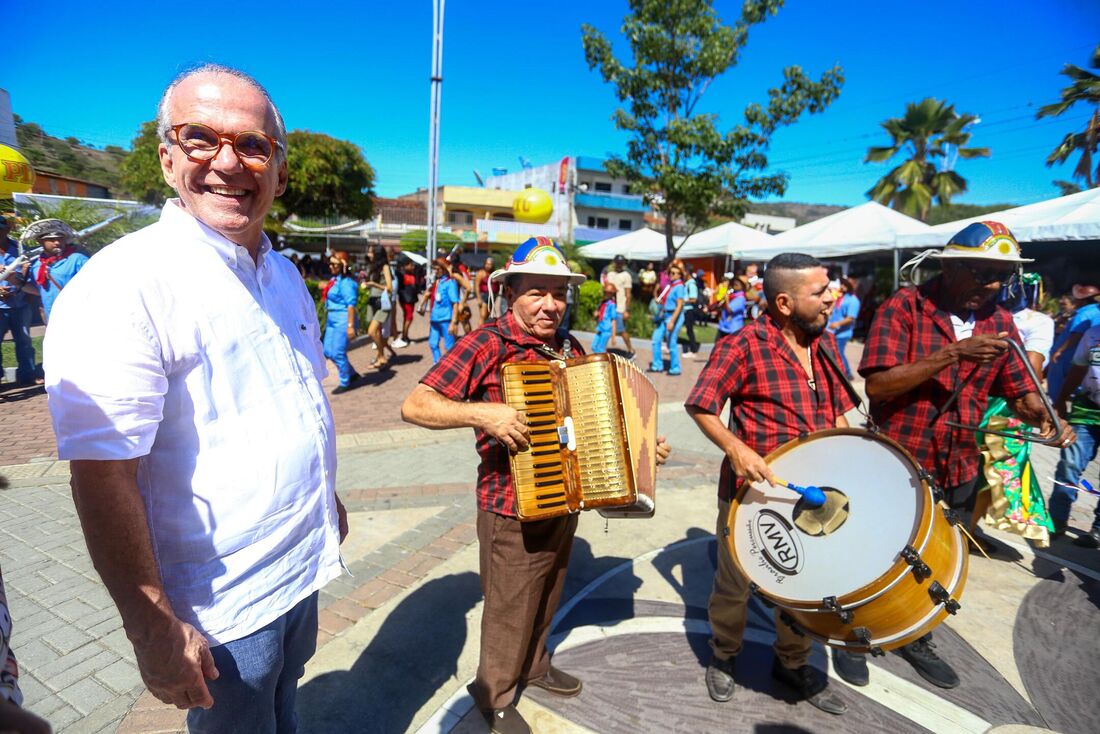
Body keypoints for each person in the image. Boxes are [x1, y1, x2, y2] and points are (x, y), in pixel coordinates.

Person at [43, 65, 349, 731]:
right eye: (201, 138)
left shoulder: (282, 274)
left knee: (285, 706)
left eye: (253, 145)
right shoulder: (125, 284)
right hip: (223, 607)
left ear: (279, 171)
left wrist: (327, 499)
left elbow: (293, 403)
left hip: (300, 567)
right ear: (167, 157)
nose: (227, 163)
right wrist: (151, 626)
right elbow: (102, 475)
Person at [401, 236, 669, 734]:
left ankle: (535, 666)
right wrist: (484, 414)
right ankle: (495, 695)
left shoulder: (569, 347)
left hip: (565, 497)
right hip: (509, 505)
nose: (550, 305)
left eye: (559, 294)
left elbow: (591, 421)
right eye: (536, 293)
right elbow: (416, 405)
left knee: (548, 590)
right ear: (511, 294)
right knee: (508, 606)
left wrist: (639, 444)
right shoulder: (487, 343)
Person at [845, 221, 1072, 691]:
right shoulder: (905, 306)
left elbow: (1018, 391)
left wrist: (1045, 417)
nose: (992, 286)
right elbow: (879, 385)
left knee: (938, 560)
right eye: (983, 273)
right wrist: (952, 354)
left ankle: (915, 635)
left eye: (1002, 276)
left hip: (960, 463)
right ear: (949, 267)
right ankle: (855, 633)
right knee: (874, 552)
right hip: (899, 461)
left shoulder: (1000, 320)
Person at [685, 252, 851, 716]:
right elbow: (700, 404)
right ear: (784, 302)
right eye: (819, 292)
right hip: (752, 495)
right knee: (734, 584)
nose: (831, 298)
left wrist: (850, 461)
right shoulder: (742, 344)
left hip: (816, 495)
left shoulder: (826, 344)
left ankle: (792, 662)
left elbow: (837, 411)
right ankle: (724, 655)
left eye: (829, 289)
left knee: (803, 584)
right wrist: (735, 448)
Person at [973, 273, 1056, 545]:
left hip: (976, 395)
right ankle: (965, 530)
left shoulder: (981, 314)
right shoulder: (1039, 321)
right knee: (993, 467)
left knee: (975, 464)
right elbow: (1031, 368)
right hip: (1008, 402)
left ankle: (961, 528)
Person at [1049, 320, 1100, 548]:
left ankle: (1098, 529)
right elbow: (1078, 369)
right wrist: (1061, 399)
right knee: (1069, 463)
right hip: (1086, 409)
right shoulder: (1092, 334)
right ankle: (1056, 519)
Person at [22, 219, 89, 324]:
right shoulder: (36, 265)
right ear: (40, 241)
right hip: (52, 318)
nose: (57, 242)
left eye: (60, 239)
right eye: (51, 239)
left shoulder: (78, 259)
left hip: (78, 316)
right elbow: (39, 290)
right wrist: (13, 280)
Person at [0, 216, 37, 387]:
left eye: (1, 229)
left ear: (7, 230)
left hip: (20, 303)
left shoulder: (20, 249)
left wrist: (19, 287)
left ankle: (27, 375)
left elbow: (30, 274)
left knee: (24, 341)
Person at [1048, 284, 1100, 402]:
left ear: (1082, 300)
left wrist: (1060, 351)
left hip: (1067, 355)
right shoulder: (1096, 312)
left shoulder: (1084, 313)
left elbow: (1076, 333)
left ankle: (1057, 404)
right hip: (1083, 354)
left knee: (1057, 383)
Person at [322, 252, 361, 394]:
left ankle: (345, 381)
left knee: (337, 352)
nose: (331, 266)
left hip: (342, 319)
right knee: (327, 350)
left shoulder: (347, 283)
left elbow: (351, 305)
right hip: (332, 318)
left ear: (343, 266)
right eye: (330, 264)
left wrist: (350, 326)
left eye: (335, 264)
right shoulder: (335, 279)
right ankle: (351, 373)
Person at [421, 257, 460, 363]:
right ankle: (437, 364)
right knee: (433, 343)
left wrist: (453, 322)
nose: (435, 271)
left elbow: (455, 303)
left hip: (446, 319)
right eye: (434, 269)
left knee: (449, 347)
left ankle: (450, 367)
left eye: (437, 269)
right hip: (435, 319)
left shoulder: (450, 283)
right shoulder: (437, 282)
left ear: (444, 269)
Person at [649, 263, 686, 375]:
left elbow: (679, 305)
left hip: (673, 316)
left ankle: (675, 368)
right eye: (670, 273)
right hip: (664, 315)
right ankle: (657, 365)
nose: (672, 275)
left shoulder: (679, 287)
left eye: (675, 273)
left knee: (671, 342)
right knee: (656, 339)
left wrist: (672, 321)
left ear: (680, 275)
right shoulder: (670, 286)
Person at [363, 244, 395, 369]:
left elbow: (390, 288)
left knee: (371, 331)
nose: (369, 254)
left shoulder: (385, 267)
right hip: (373, 300)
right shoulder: (372, 267)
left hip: (382, 302)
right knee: (377, 332)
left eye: (371, 252)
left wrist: (373, 284)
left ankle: (381, 356)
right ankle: (380, 358)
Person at [826, 276, 861, 379]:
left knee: (839, 353)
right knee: (835, 353)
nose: (842, 286)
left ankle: (847, 373)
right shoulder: (840, 297)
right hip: (832, 331)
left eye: (845, 285)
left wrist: (837, 324)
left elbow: (851, 318)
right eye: (841, 284)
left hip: (842, 333)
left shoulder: (853, 300)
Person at [604, 255, 635, 356]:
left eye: (621, 262)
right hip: (610, 306)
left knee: (621, 330)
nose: (618, 264)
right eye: (617, 262)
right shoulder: (610, 274)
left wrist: (627, 310)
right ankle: (602, 349)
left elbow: (628, 294)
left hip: (620, 308)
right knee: (606, 328)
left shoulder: (626, 275)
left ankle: (631, 349)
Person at [396, 259, 422, 346]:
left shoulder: (412, 274)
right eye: (410, 265)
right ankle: (404, 337)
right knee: (409, 317)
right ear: (405, 266)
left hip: (411, 299)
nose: (412, 267)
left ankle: (405, 336)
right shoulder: (402, 275)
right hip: (406, 299)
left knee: (407, 317)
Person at [714, 275, 748, 342]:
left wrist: (727, 299)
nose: (735, 283)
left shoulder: (740, 299)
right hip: (724, 326)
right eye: (735, 282)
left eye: (739, 283)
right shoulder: (733, 295)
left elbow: (730, 310)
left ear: (743, 286)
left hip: (732, 329)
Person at [591, 282, 618, 354]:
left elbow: (613, 321)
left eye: (609, 293)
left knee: (601, 349)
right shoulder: (603, 303)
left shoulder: (612, 305)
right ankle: (601, 357)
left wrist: (613, 336)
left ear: (613, 294)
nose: (607, 294)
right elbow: (598, 316)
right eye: (605, 292)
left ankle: (603, 358)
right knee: (593, 347)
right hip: (600, 328)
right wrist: (596, 315)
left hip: (606, 329)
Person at [682, 269, 701, 357]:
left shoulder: (691, 284)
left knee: (689, 330)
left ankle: (693, 350)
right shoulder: (687, 283)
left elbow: (693, 299)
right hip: (685, 309)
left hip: (689, 310)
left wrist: (683, 301)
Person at [474, 257, 496, 326]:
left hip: (492, 296)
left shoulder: (494, 273)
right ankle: (480, 330)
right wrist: (478, 298)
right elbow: (476, 286)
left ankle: (484, 329)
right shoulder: (481, 273)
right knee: (483, 315)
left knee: (487, 315)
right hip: (483, 295)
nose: (488, 266)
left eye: (490, 264)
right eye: (487, 264)